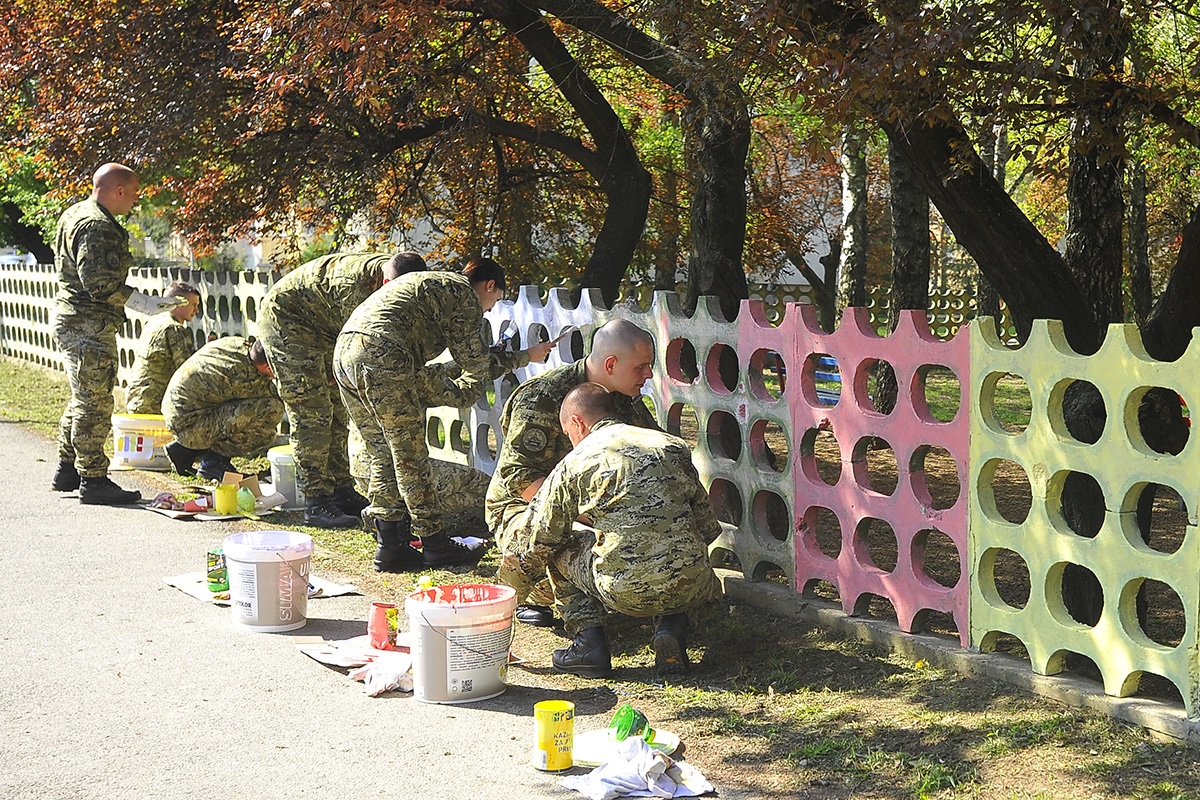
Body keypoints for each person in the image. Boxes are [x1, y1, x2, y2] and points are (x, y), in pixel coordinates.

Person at [333, 258, 552, 572]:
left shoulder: (434, 286)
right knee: (409, 454)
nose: (489, 311)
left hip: (345, 351)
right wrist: (525, 357)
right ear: (490, 286)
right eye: (495, 301)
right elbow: (478, 364)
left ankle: (391, 545)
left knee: (381, 450)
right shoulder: (463, 293)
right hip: (382, 352)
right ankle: (435, 543)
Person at [507, 383, 722, 678]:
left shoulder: (574, 463)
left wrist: (501, 607)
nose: (571, 441)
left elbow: (536, 542)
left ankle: (588, 646)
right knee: (675, 549)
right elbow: (708, 528)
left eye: (568, 434)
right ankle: (672, 628)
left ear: (577, 422)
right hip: (692, 586)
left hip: (621, 590)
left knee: (560, 547)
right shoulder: (671, 446)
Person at [486, 318, 657, 627]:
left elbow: (651, 455)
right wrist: (588, 519)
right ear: (610, 364)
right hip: (522, 509)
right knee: (568, 543)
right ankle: (545, 599)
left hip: (587, 510)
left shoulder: (621, 396)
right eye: (642, 366)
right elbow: (520, 477)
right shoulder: (542, 398)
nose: (650, 374)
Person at [259, 251, 427, 529]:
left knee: (338, 407)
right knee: (311, 411)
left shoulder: (409, 278)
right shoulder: (354, 287)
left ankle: (339, 489)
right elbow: (360, 341)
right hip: (287, 321)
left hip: (321, 326)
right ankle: (316, 501)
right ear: (385, 281)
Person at [50, 162, 183, 505]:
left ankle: (68, 468)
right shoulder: (98, 226)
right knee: (94, 403)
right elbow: (100, 284)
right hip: (88, 324)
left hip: (74, 318)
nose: (136, 200)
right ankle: (93, 479)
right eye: (134, 193)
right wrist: (144, 303)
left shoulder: (74, 213)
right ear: (119, 190)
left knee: (83, 397)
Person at [162, 336, 284, 480]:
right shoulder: (244, 376)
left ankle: (185, 450)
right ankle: (214, 462)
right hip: (188, 423)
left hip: (180, 413)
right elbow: (281, 397)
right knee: (271, 411)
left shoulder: (238, 344)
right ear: (268, 367)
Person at [124, 282, 202, 415]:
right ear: (179, 304)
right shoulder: (174, 329)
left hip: (137, 399)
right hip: (155, 404)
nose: (196, 310)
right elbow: (188, 370)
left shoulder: (154, 323)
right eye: (193, 305)